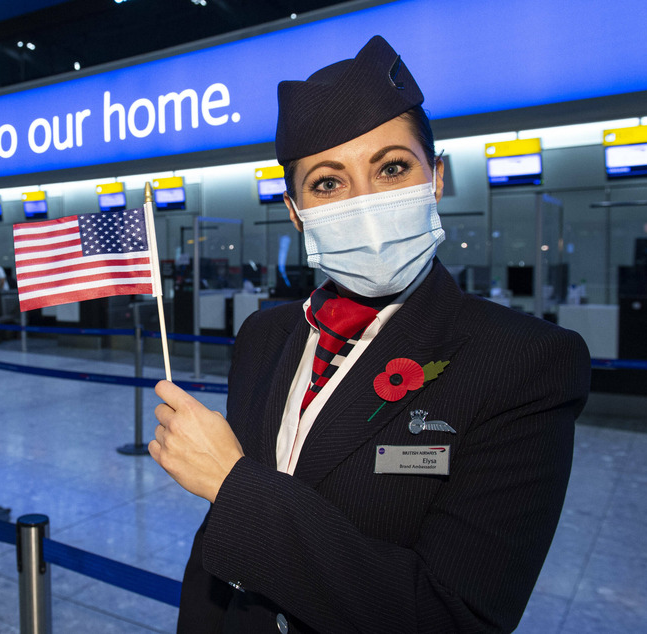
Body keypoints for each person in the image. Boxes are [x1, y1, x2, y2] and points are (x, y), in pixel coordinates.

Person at [149, 36, 590, 633]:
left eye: (391, 168)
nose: (365, 203)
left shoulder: (523, 362)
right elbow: (213, 564)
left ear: (435, 178)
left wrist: (233, 487)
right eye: (328, 183)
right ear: (296, 211)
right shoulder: (265, 335)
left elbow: (452, 617)